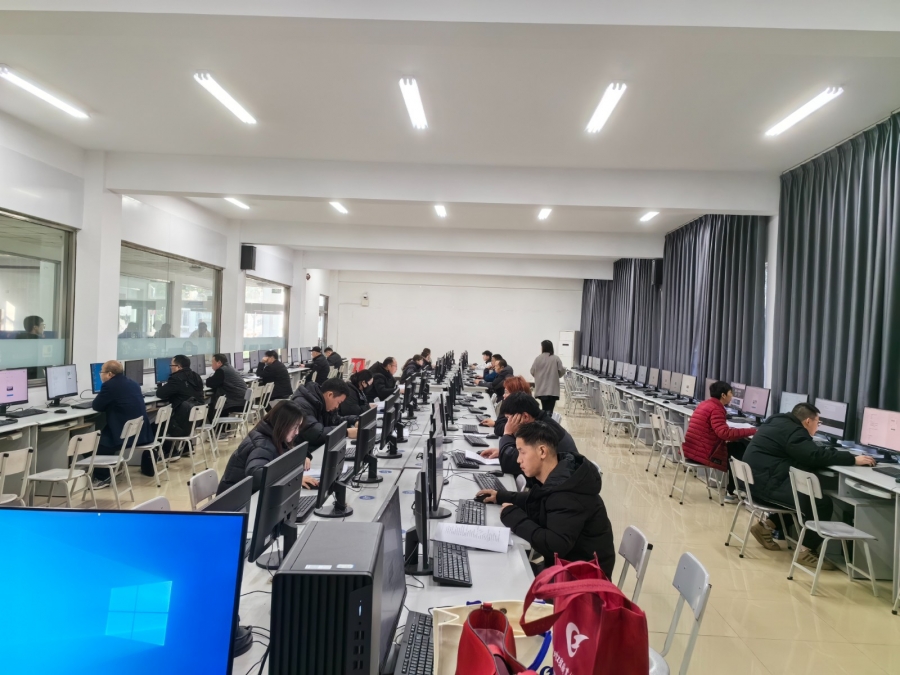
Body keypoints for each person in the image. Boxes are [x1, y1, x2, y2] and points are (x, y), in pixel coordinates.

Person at [742, 402, 874, 568]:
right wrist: (852, 459)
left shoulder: (777, 421)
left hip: (754, 482)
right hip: (765, 484)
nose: (818, 427)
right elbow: (812, 455)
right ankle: (805, 551)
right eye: (818, 423)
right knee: (820, 503)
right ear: (808, 421)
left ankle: (766, 526)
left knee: (803, 494)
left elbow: (806, 453)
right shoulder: (795, 432)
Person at [477, 421, 615, 578]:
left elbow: (554, 546)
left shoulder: (567, 495)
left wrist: (513, 517)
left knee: (503, 575)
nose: (518, 460)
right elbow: (538, 498)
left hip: (581, 579)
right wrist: (501, 496)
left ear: (542, 451)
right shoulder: (562, 475)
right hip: (566, 565)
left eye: (522, 452)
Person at [217, 400, 318, 493]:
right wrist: (293, 478)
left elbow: (288, 450)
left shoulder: (275, 434)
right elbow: (256, 475)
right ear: (283, 424)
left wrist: (302, 456)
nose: (297, 432)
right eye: (295, 427)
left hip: (245, 494)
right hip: (234, 500)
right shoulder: (261, 445)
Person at [682, 380, 757, 503]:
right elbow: (724, 434)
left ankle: (734, 489)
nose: (732, 396)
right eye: (730, 393)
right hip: (705, 453)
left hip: (694, 449)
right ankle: (732, 492)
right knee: (739, 450)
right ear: (723, 395)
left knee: (736, 446)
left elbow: (719, 430)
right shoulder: (717, 409)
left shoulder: (705, 404)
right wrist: (752, 431)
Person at [480, 391, 579, 476]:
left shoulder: (542, 432)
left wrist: (507, 434)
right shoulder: (540, 421)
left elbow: (509, 464)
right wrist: (502, 452)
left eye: (509, 418)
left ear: (525, 417)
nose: (507, 423)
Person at [90, 360, 153, 486]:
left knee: (94, 444)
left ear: (109, 374)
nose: (100, 375)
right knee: (101, 438)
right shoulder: (133, 383)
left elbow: (97, 406)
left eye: (101, 372)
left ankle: (103, 477)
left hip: (123, 435)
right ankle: (113, 468)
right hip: (140, 433)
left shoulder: (109, 386)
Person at [290, 378, 359, 459]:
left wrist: (354, 420)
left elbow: (335, 420)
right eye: (338, 402)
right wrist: (345, 432)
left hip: (315, 450)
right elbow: (315, 434)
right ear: (330, 395)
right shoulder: (302, 404)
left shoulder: (322, 402)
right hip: (304, 455)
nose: (337, 406)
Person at [155, 354, 205, 439]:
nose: (171, 368)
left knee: (154, 426)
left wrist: (161, 387)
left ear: (178, 367)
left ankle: (166, 448)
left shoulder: (176, 378)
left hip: (180, 425)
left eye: (172, 365)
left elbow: (160, 394)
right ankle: (182, 447)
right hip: (195, 422)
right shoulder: (196, 376)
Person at [205, 353, 248, 422]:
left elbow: (210, 383)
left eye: (212, 362)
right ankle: (224, 427)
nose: (211, 365)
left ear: (219, 363)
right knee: (217, 404)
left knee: (212, 407)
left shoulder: (222, 370)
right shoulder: (230, 368)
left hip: (237, 403)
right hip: (244, 402)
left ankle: (217, 427)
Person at [531, 340, 566, 414]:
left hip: (541, 389)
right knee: (550, 409)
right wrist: (556, 375)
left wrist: (539, 377)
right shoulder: (556, 358)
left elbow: (532, 371)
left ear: (543, 347)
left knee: (544, 407)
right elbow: (562, 371)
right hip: (552, 389)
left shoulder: (538, 359)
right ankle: (547, 418)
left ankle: (545, 418)